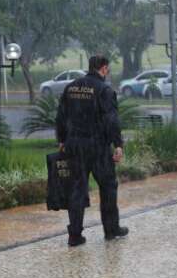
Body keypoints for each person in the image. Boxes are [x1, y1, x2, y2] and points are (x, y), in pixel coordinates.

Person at [55, 55, 129, 246]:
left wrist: (62, 139)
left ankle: (75, 235)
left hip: (74, 145)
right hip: (97, 147)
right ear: (104, 69)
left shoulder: (71, 87)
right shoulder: (104, 90)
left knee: (76, 190)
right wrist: (118, 144)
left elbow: (61, 116)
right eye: (108, 70)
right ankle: (111, 230)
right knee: (108, 187)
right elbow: (111, 120)